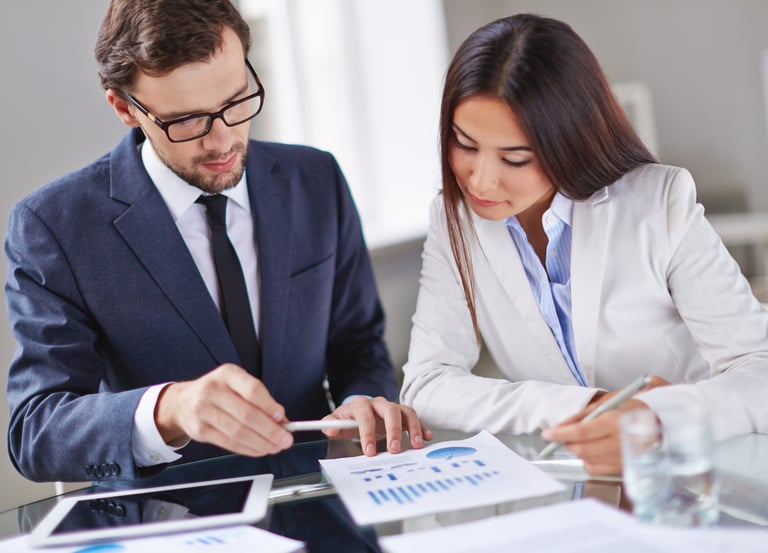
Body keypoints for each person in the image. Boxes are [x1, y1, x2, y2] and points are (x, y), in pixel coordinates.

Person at [5, 0, 430, 483]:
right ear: (125, 107)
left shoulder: (316, 179)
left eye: (235, 102)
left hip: (323, 505)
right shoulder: (54, 227)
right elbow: (34, 431)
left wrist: (362, 399)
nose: (223, 141)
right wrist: (170, 408)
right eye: (186, 120)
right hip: (169, 523)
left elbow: (358, 344)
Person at [399, 13, 768, 475]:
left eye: (516, 158)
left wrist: (659, 419)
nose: (482, 179)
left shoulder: (660, 201)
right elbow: (428, 384)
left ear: (569, 142)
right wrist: (590, 406)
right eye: (465, 145)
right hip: (570, 483)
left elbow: (760, 369)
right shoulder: (453, 219)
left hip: (695, 476)